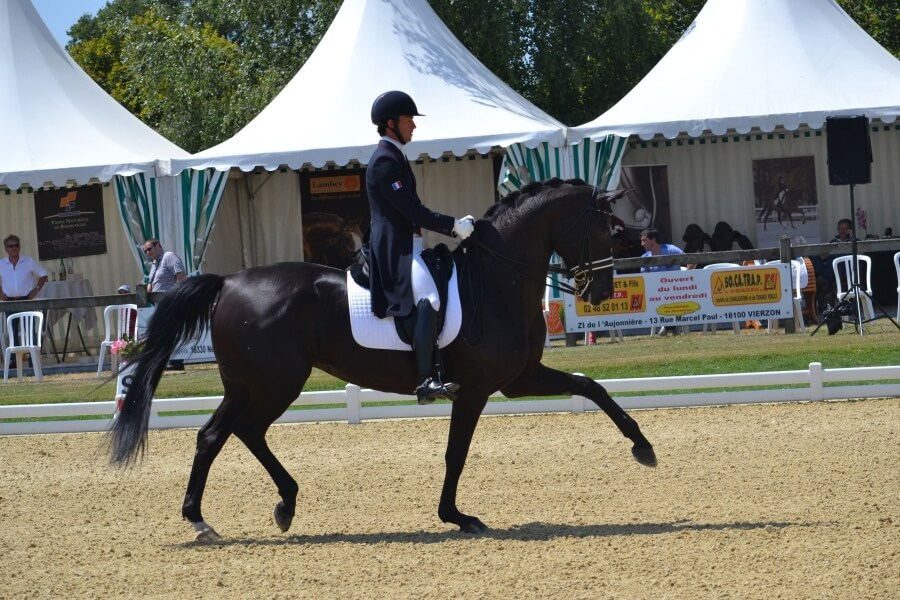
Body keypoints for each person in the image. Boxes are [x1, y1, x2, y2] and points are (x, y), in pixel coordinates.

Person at [366, 90, 474, 404]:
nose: (413, 125)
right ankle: (425, 379)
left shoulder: (395, 156)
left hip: (408, 244)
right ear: (390, 123)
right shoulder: (384, 162)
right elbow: (412, 211)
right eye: (408, 119)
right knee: (428, 297)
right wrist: (452, 226)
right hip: (395, 249)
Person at [0, 235, 48, 368]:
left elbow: (44, 273)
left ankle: (33, 361)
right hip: (9, 302)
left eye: (16, 245)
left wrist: (36, 289)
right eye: (11, 246)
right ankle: (15, 361)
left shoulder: (28, 261)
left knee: (29, 331)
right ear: (6, 249)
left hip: (26, 301)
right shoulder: (1, 264)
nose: (14, 248)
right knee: (13, 332)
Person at [142, 239, 186, 370]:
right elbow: (151, 284)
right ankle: (170, 360)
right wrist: (144, 292)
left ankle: (177, 362)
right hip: (160, 305)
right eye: (145, 251)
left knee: (172, 331)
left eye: (149, 249)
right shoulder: (155, 264)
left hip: (171, 302)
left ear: (158, 245)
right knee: (165, 332)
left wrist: (177, 298)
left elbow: (181, 276)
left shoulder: (169, 257)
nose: (147, 252)